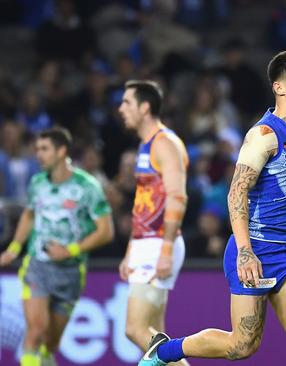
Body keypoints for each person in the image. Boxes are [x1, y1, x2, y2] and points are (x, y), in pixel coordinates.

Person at [139, 1, 286, 365]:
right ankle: (165, 350)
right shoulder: (263, 136)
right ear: (280, 87)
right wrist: (246, 251)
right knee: (242, 346)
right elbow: (237, 192)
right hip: (255, 250)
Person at [0, 127, 114, 366]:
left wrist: (70, 250)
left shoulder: (87, 186)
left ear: (61, 151)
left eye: (44, 149)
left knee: (50, 344)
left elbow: (106, 232)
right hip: (37, 266)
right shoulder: (37, 183)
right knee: (35, 332)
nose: (38, 155)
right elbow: (29, 215)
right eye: (37, 150)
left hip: (71, 272)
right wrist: (14, 248)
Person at [117, 80, 190, 365]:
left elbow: (177, 196)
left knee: (134, 329)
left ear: (145, 107)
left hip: (160, 241)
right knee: (156, 335)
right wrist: (130, 250)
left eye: (127, 102)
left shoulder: (165, 143)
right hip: (146, 243)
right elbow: (143, 204)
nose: (121, 108)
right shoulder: (145, 146)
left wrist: (167, 248)